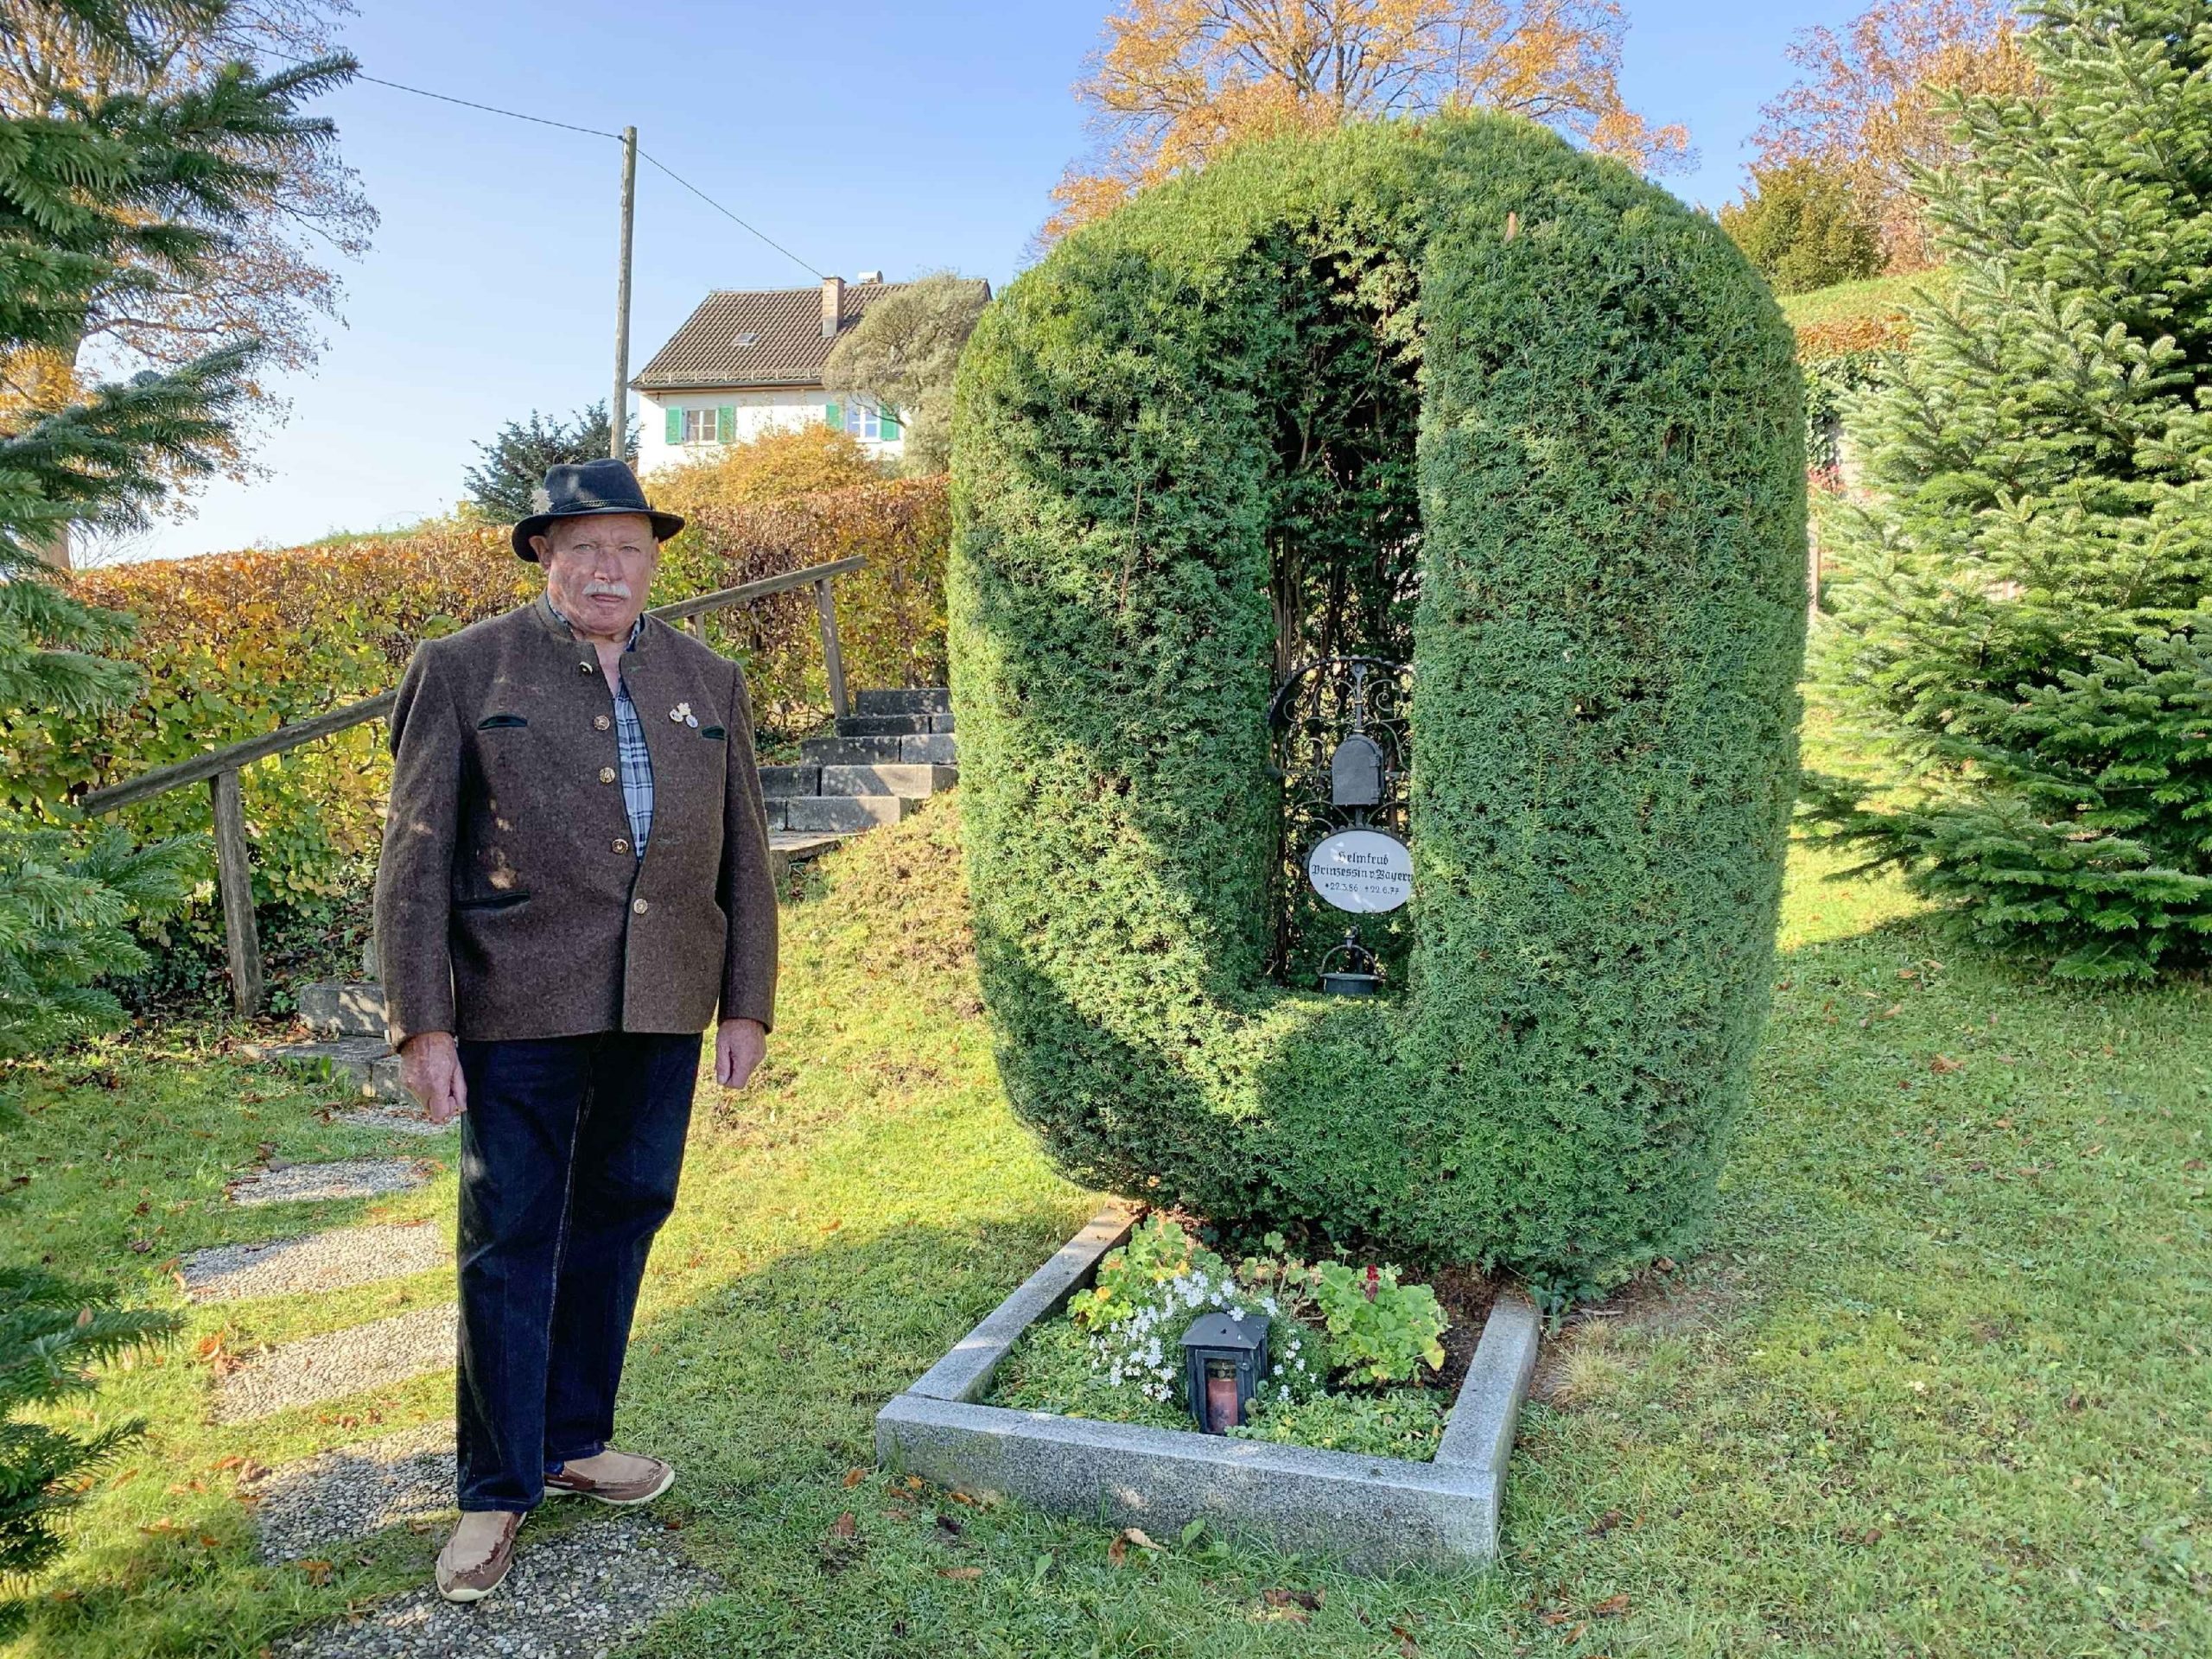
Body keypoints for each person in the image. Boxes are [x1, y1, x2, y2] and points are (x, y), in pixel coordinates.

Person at [374, 457, 776, 1602]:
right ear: (544, 555)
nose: (610, 568)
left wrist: (745, 1000)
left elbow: (745, 855)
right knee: (512, 1242)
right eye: (585, 547)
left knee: (626, 1214)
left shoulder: (711, 679)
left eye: (631, 549)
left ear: (655, 563)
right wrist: (423, 1026)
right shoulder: (462, 671)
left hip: (662, 1005)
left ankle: (575, 1438)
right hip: (514, 1008)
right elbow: (412, 865)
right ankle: (495, 1492)